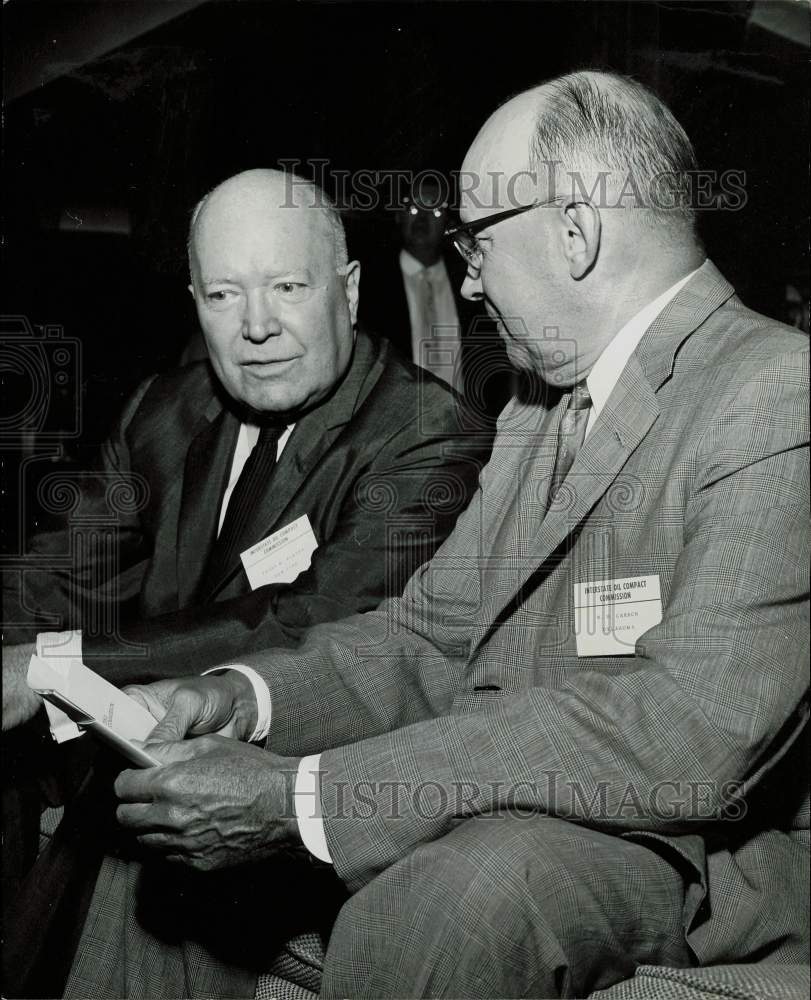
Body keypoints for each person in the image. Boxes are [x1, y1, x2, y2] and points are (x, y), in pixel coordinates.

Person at [58, 72, 811, 999]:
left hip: (681, 852)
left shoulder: (776, 394)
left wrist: (304, 800)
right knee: (159, 845)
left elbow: (694, 732)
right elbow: (425, 635)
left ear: (574, 233)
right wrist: (238, 701)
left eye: (476, 241)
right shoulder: (538, 409)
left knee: (454, 897)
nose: (465, 275)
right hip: (510, 798)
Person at [1, 168, 493, 993]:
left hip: (283, 810)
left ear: (349, 290)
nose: (256, 326)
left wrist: (41, 666)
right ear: (194, 300)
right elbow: (59, 566)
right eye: (224, 295)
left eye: (287, 287)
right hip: (129, 771)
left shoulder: (427, 435)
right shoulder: (166, 407)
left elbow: (300, 622)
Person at [358, 176, 512, 417]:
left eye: (436, 212)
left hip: (469, 422)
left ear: (449, 224)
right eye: (413, 207)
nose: (422, 219)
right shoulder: (372, 287)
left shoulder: (473, 281)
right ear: (398, 215)